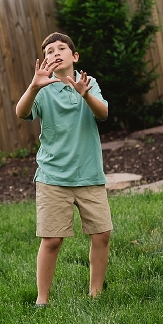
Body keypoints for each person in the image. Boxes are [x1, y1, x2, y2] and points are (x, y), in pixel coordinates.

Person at [15, 32, 111, 307]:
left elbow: (102, 113)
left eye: (60, 48)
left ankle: (95, 294)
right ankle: (41, 301)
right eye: (48, 52)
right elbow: (21, 113)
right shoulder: (41, 89)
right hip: (53, 177)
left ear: (74, 56)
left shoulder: (88, 83)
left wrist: (85, 95)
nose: (54, 53)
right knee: (52, 240)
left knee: (101, 234)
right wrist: (33, 87)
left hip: (89, 174)